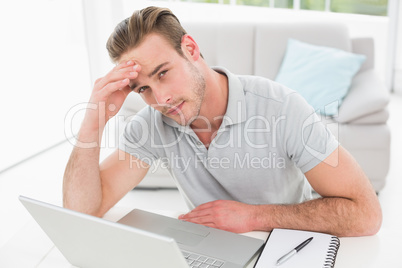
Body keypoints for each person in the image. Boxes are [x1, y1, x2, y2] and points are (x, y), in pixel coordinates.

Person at [63, 6, 382, 237]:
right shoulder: (152, 124)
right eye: (143, 88)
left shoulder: (281, 108)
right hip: (212, 252)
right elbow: (82, 213)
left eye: (163, 73)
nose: (161, 100)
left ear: (190, 48)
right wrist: (94, 120)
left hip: (286, 245)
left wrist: (254, 217)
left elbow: (366, 214)